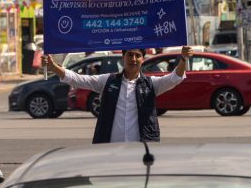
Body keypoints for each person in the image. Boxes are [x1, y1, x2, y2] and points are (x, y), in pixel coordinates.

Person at [42, 45, 193, 143]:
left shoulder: (151, 84)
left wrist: (184, 59)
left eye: (137, 55)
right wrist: (53, 67)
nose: (133, 59)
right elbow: (78, 79)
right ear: (123, 58)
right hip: (110, 148)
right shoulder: (108, 81)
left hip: (143, 148)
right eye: (129, 55)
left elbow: (175, 78)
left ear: (142, 59)